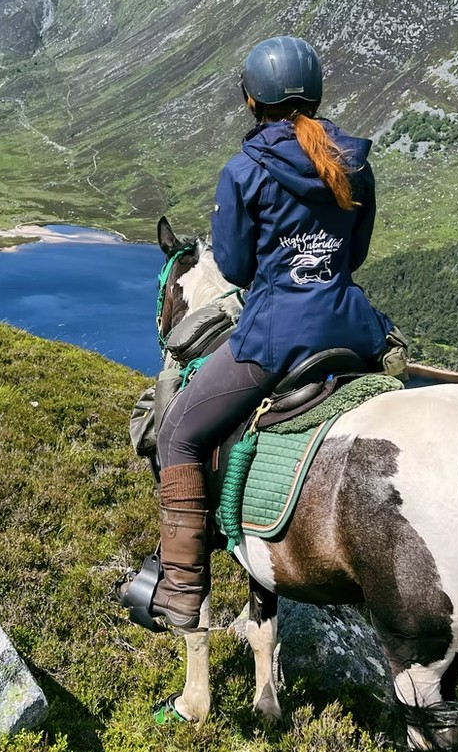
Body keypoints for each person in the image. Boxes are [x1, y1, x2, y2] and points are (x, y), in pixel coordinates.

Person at [129, 35, 393, 631]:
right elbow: (353, 256)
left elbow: (236, 267)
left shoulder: (245, 170)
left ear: (251, 100)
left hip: (274, 338)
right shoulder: (355, 164)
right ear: (317, 95)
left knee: (178, 434)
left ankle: (180, 588)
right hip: (355, 329)